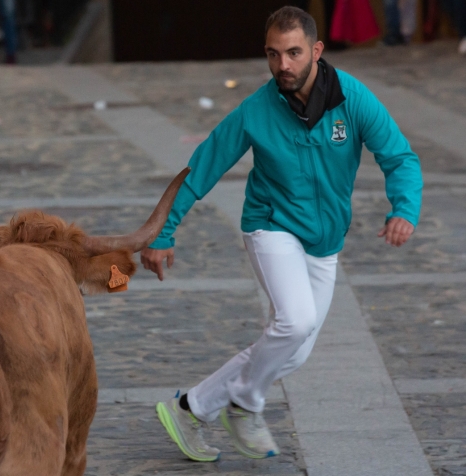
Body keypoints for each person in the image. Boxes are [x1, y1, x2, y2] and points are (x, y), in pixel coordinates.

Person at [143, 6, 422, 461]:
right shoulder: (257, 109)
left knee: (292, 350)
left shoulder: (353, 100)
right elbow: (203, 167)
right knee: (295, 321)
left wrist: (404, 209)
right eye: (273, 55)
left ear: (316, 50)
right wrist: (162, 233)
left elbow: (400, 157)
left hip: (325, 241)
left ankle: (191, 407)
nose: (283, 66)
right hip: (270, 226)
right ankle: (246, 404)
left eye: (293, 53)